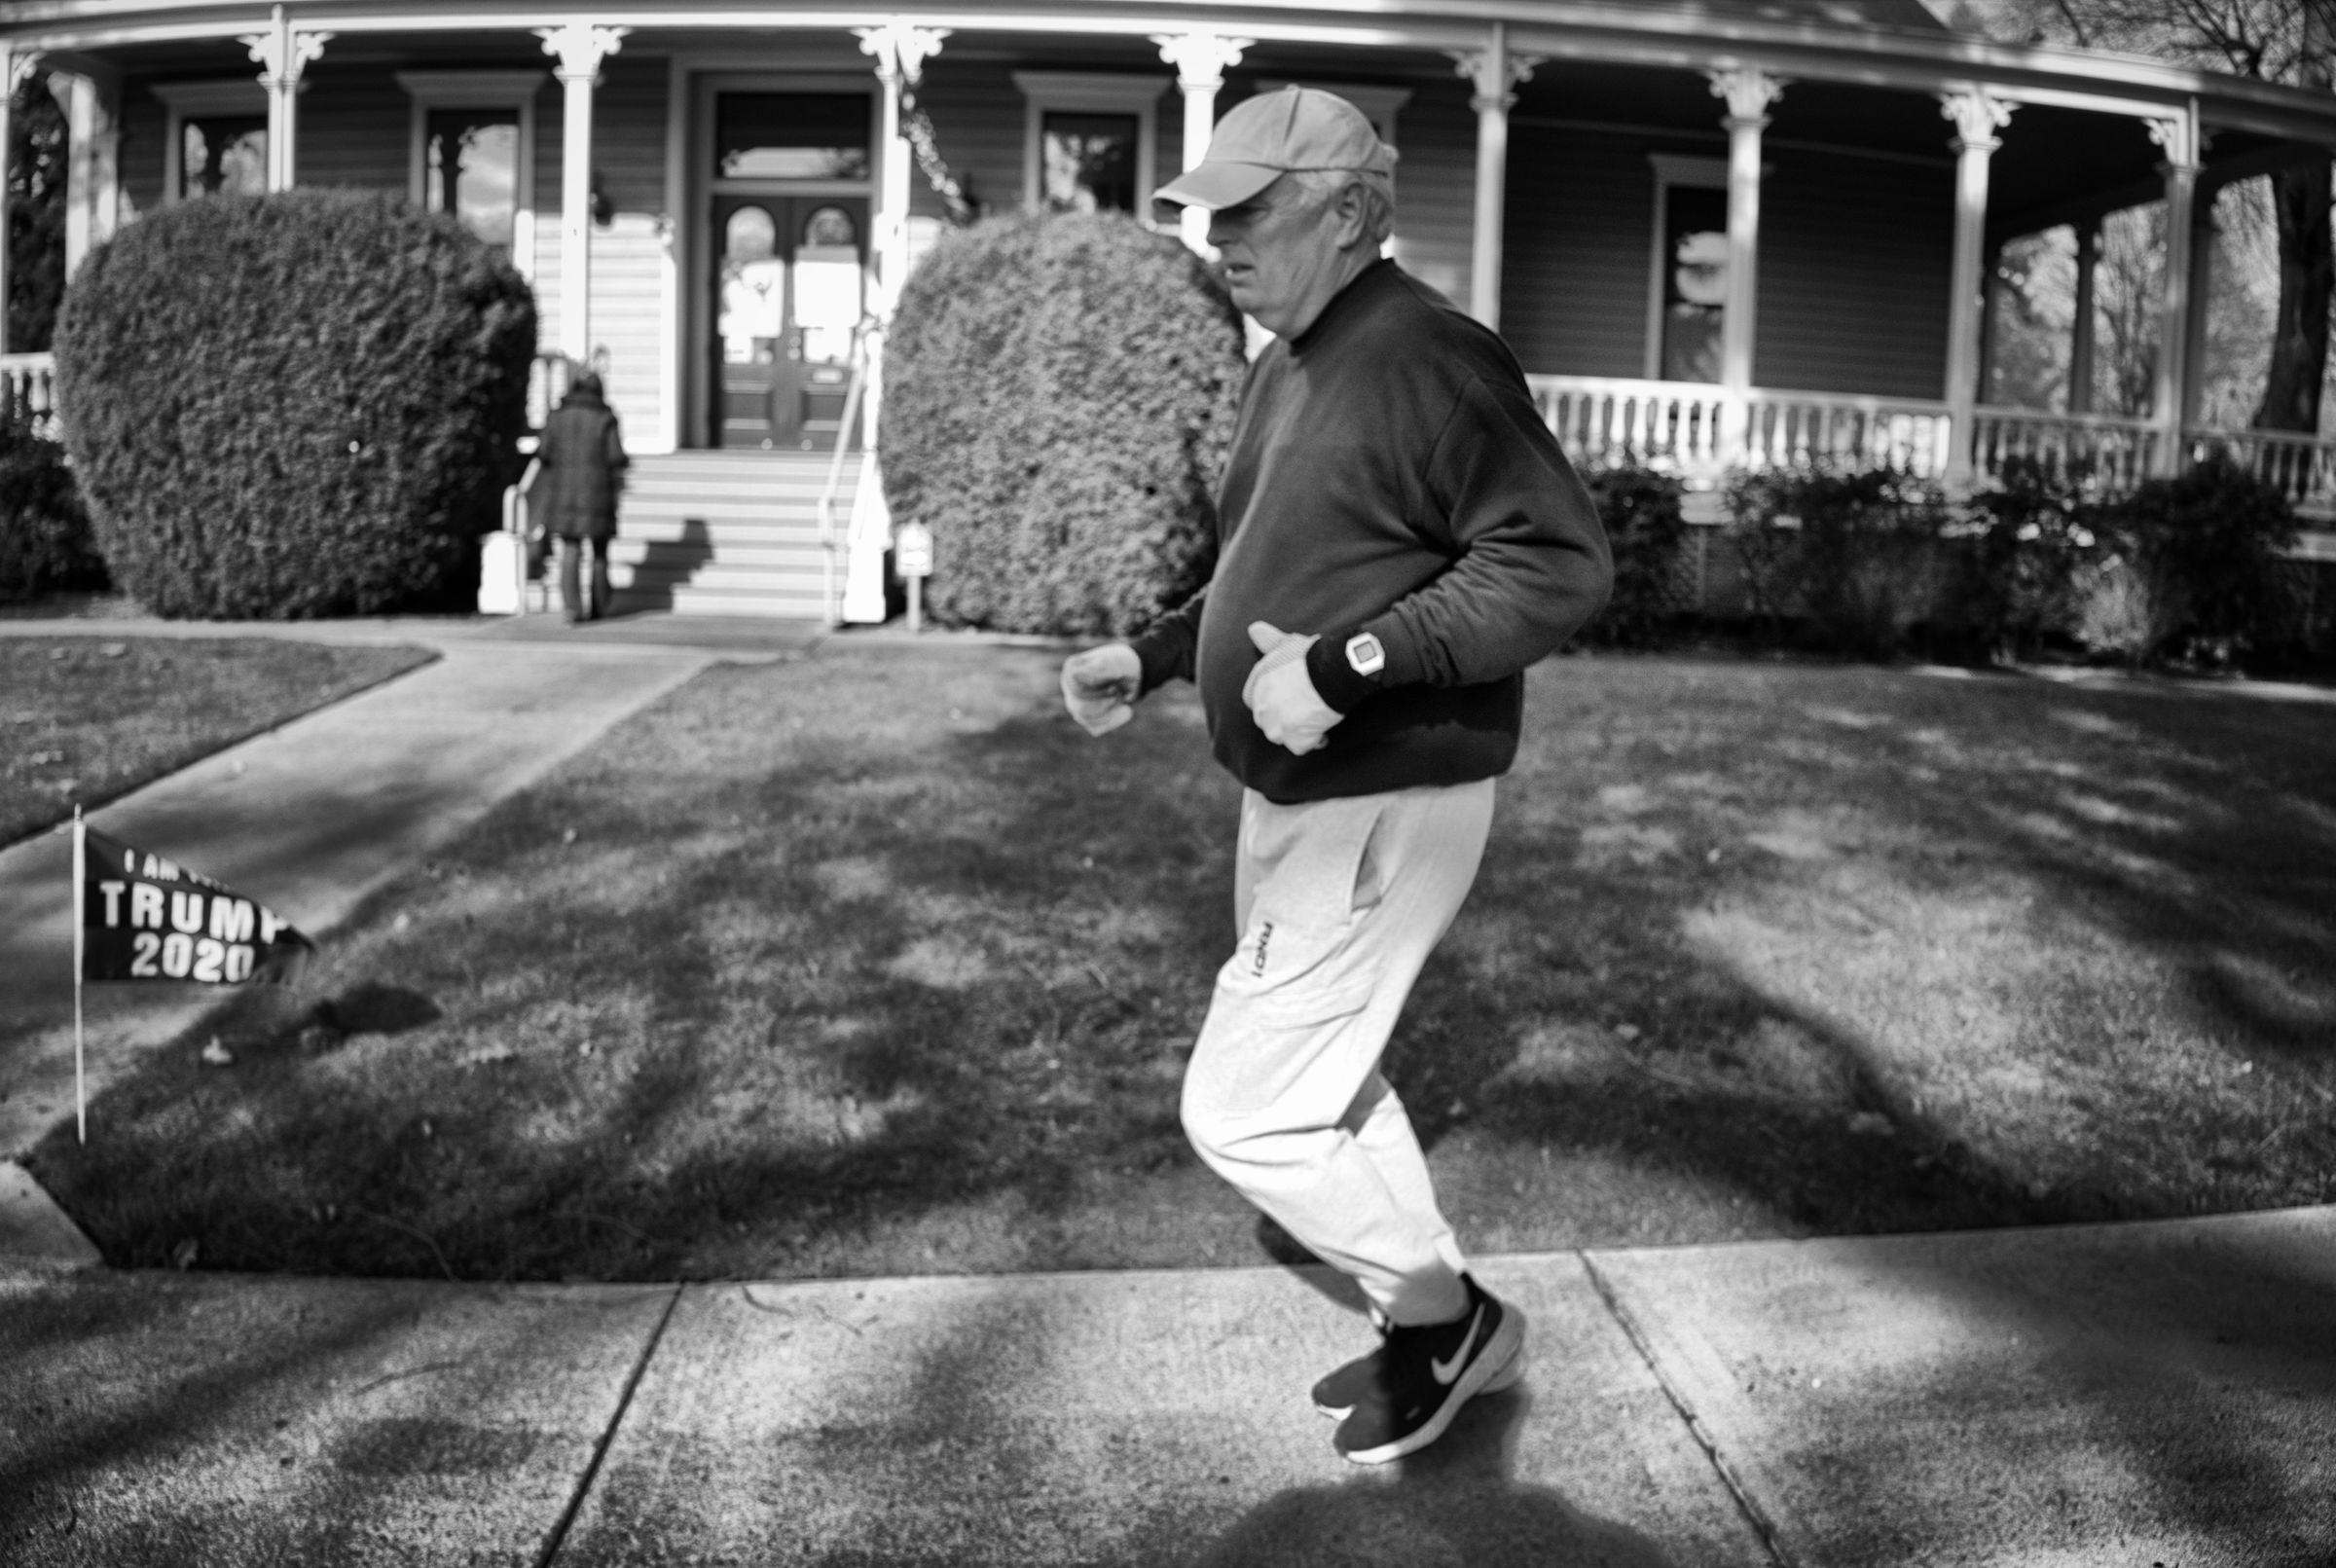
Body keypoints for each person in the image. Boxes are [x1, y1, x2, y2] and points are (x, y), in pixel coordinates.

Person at [1059, 87, 1612, 1466]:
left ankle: (1449, 1310)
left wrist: (1352, 664)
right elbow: (1279, 561)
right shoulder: (1294, 354)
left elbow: (1557, 564)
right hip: (1301, 796)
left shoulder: (1430, 356)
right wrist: (1159, 652)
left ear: (1354, 215)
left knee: (1243, 1108)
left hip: (1387, 795)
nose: (1218, 238)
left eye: (1252, 210)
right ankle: (1436, 1330)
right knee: (1331, 1079)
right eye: (1211, 211)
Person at [534, 370, 629, 623]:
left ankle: (572, 608)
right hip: (598, 493)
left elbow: (544, 452)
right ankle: (600, 605)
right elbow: (616, 457)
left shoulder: (557, 418)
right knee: (599, 551)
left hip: (564, 495)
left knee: (570, 548)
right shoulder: (604, 418)